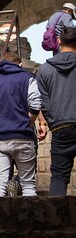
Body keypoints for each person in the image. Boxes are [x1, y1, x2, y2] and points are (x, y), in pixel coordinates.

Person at [0, 52, 42, 197]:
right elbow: (36, 105)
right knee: (28, 185)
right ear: (20, 65)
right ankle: (31, 218)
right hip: (23, 137)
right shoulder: (28, 79)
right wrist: (28, 122)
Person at [36, 26, 76, 195]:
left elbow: (42, 102)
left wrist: (44, 122)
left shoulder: (44, 69)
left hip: (60, 127)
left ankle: (56, 218)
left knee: (59, 177)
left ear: (59, 41)